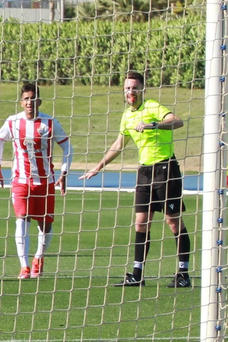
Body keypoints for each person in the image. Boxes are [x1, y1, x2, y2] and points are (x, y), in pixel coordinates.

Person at [80, 70, 192, 288]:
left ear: (142, 89)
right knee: (141, 223)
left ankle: (183, 273)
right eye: (127, 88)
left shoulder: (152, 107)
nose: (131, 91)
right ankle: (137, 273)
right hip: (144, 173)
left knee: (173, 221)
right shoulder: (126, 115)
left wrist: (153, 125)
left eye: (134, 87)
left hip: (166, 169)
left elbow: (176, 121)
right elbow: (118, 145)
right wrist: (97, 167)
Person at [0, 81, 71, 279]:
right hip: (20, 180)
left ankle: (38, 258)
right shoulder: (12, 122)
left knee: (45, 224)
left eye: (33, 99)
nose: (30, 102)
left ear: (39, 101)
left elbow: (67, 147)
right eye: (26, 99)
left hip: (45, 181)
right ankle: (24, 266)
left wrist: (64, 173)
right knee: (22, 219)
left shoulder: (50, 123)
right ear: (21, 102)